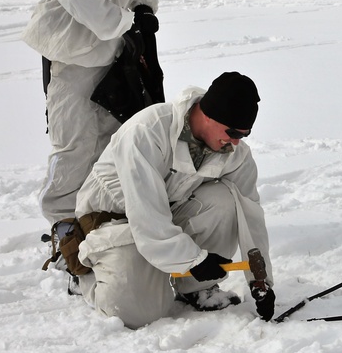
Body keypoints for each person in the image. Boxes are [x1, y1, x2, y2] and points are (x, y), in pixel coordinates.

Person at [72, 72, 276, 329]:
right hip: (111, 222)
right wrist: (195, 259)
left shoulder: (233, 153)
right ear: (209, 115)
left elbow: (251, 214)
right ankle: (85, 272)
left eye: (243, 135)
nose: (235, 142)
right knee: (138, 314)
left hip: (163, 217)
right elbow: (147, 218)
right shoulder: (147, 131)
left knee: (225, 200)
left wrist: (261, 281)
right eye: (232, 132)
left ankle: (196, 287)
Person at [22, 0, 160, 225]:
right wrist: (122, 24)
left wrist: (143, 9)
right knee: (75, 141)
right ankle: (63, 222)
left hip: (111, 51)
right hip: (73, 52)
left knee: (111, 136)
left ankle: (98, 213)